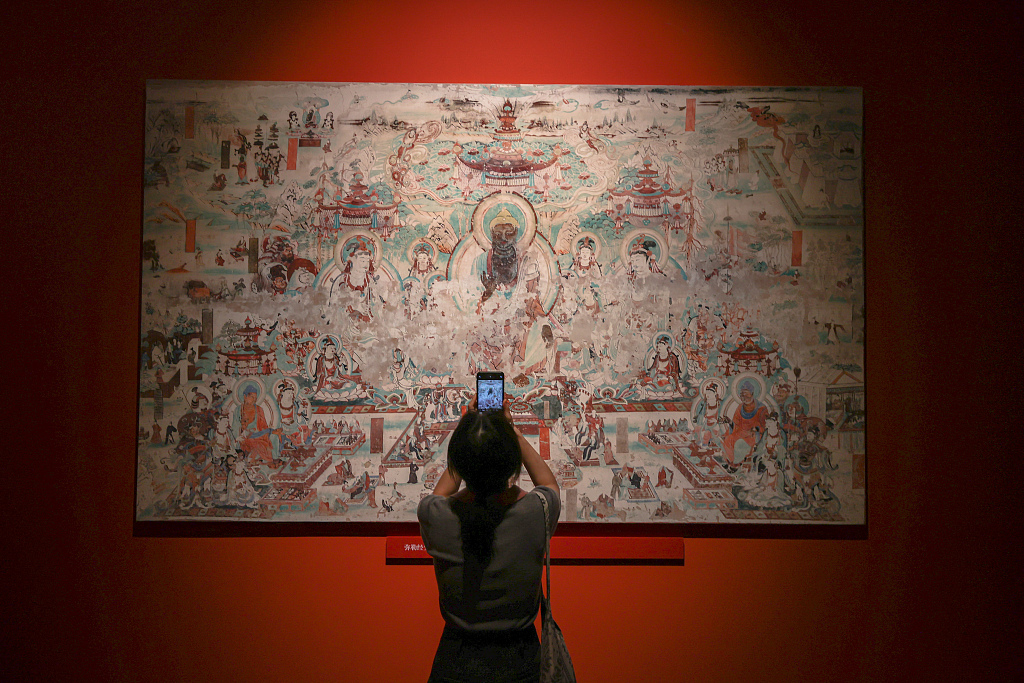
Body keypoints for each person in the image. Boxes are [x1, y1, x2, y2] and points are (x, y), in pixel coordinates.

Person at [418, 395, 560, 683]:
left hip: (456, 657)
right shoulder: (536, 511)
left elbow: (441, 492)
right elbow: (549, 485)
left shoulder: (435, 515)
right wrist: (511, 431)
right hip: (519, 657)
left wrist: (470, 430)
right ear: (512, 464)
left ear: (459, 460)